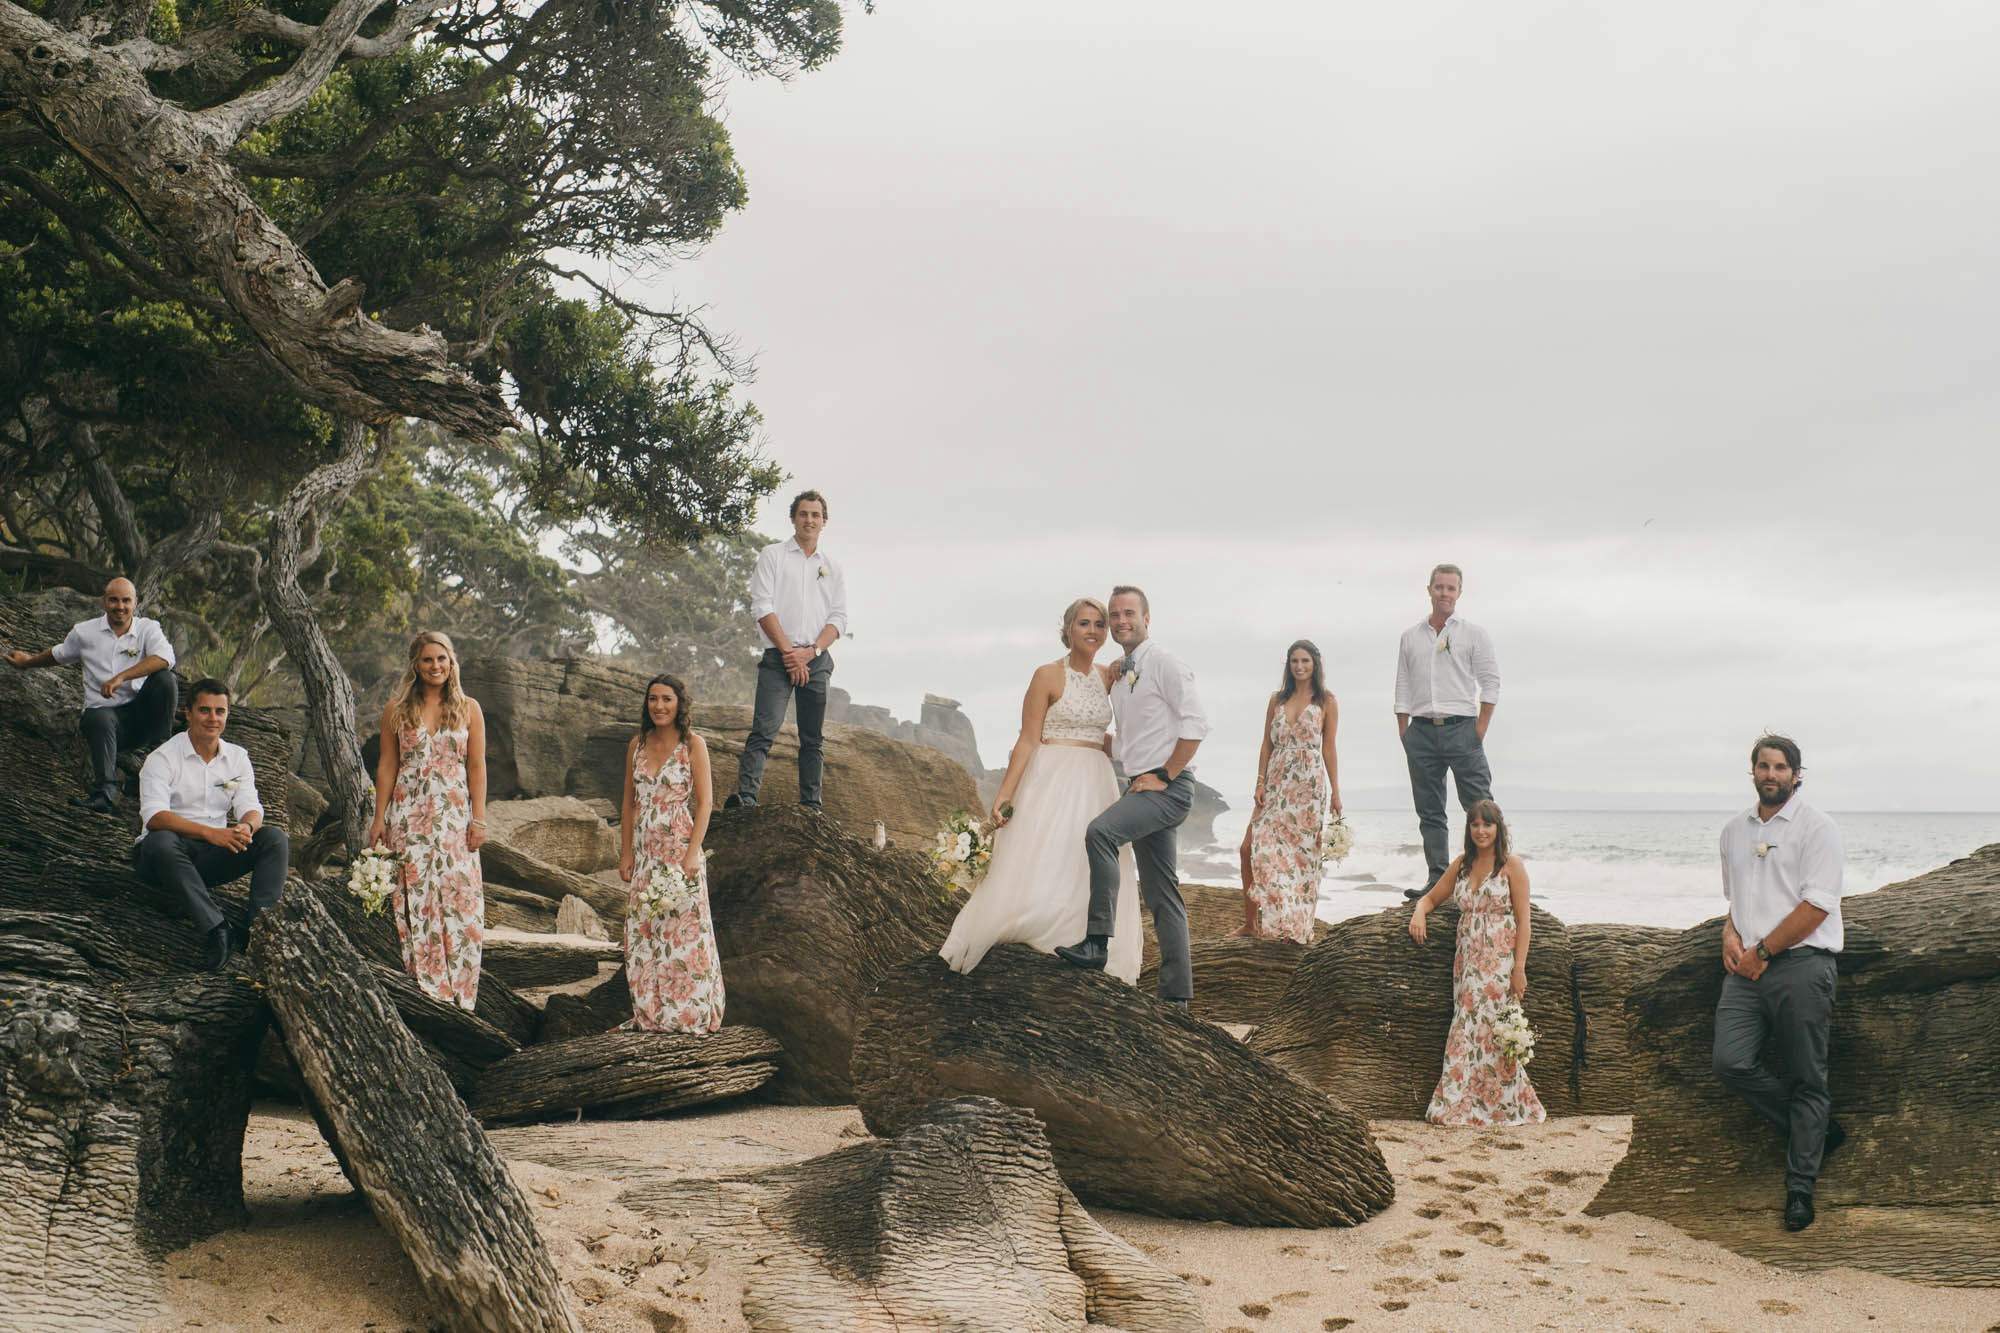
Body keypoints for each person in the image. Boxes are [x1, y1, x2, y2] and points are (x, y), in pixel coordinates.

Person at [940, 597, 1144, 981]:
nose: (1093, 630)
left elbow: (1105, 737)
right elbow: (1027, 739)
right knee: (1047, 850)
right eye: (1084, 623)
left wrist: (1149, 760)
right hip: (1052, 775)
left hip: (1096, 778)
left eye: (1099, 624)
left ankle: (1084, 940)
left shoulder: (1108, 677)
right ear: (1068, 629)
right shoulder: (1047, 675)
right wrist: (1005, 793)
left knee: (1086, 858)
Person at [1713, 734, 1847, 1233]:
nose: (1771, 774)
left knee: (1808, 1076)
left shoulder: (1818, 828)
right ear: (1752, 771)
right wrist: (1730, 934)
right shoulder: (1733, 831)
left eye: (1781, 767)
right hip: (1746, 971)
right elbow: (1737, 901)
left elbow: (1817, 905)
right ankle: (1814, 1130)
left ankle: (1800, 1188)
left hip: (1801, 966)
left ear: (1796, 774)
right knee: (1730, 1062)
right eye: (1764, 766)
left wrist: (1764, 952)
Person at [1056, 586, 1209, 1008]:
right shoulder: (1122, 677)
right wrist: (1071, 736)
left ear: (1146, 618)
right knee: (1162, 893)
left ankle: (1096, 943)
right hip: (1141, 785)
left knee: (1101, 833)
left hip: (1167, 789)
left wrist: (1165, 774)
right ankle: (1176, 998)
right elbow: (1127, 745)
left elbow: (1197, 724)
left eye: (1129, 613)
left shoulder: (1165, 663)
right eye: (1115, 615)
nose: (1121, 621)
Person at [134, 678, 290, 970]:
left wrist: (246, 827)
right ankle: (217, 928)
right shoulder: (163, 758)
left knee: (274, 839)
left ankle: (259, 932)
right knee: (160, 840)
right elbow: (154, 817)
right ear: (188, 713)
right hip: (162, 860)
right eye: (204, 710)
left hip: (207, 859)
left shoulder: (237, 758)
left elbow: (251, 807)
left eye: (220, 711)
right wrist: (210, 833)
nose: (213, 718)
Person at [367, 631, 487, 1010]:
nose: (436, 666)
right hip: (409, 815)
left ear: (452, 663)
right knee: (415, 898)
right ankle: (424, 988)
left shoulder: (469, 708)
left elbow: (477, 767)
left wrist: (479, 820)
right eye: (428, 660)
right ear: (415, 665)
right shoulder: (396, 709)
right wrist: (379, 818)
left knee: (461, 898)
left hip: (454, 817)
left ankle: (460, 993)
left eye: (442, 659)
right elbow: (388, 765)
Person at [1408, 799, 1544, 1126]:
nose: (1481, 831)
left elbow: (1524, 922)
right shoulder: (1461, 865)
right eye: (1475, 824)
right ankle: (1461, 1103)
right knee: (1466, 1028)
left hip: (1499, 962)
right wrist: (1418, 913)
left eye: (1487, 824)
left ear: (1499, 828)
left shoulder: (1512, 866)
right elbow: (1431, 897)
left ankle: (1503, 1106)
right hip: (1467, 963)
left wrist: (1519, 969)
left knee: (1494, 1030)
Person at [6, 576, 178, 812]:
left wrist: (121, 677)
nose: (120, 606)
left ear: (135, 602)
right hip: (105, 723)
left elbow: (165, 658)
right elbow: (59, 654)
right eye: (114, 600)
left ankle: (161, 751)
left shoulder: (148, 628)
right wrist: (27, 662)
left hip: (141, 718)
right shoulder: (84, 632)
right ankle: (105, 794)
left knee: (166, 679)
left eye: (126, 600)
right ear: (104, 601)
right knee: (99, 716)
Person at [728, 490, 848, 811]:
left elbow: (838, 619)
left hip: (816, 660)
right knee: (764, 729)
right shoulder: (773, 556)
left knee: (812, 738)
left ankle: (811, 805)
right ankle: (746, 797)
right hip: (777, 658)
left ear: (824, 522)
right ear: (793, 518)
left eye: (815, 515)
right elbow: (761, 606)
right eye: (803, 514)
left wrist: (810, 652)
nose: (809, 520)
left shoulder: (832, 567)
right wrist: (789, 654)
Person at [618, 675, 725, 1032]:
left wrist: (693, 854)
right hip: (645, 854)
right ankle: (652, 1013)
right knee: (644, 931)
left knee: (684, 933)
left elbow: (706, 803)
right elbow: (629, 804)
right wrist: (625, 853)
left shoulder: (693, 744)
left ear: (679, 704)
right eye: (653, 699)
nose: (659, 706)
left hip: (679, 850)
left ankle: (689, 1013)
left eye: (666, 699)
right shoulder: (637, 744)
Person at [1394, 563, 1499, 898]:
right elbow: (1403, 685)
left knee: (1480, 806)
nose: (1444, 593)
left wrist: (1478, 731)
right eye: (1439, 587)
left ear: (1459, 592)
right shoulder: (1410, 637)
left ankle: (1488, 878)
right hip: (1421, 732)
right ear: (1429, 590)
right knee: (1429, 811)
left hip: (1462, 729)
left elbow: (1491, 683)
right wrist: (1405, 732)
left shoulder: (1473, 634)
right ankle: (1438, 880)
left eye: (1451, 588)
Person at [1234, 640, 1342, 943]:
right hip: (1276, 783)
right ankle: (1251, 924)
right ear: (1288, 664)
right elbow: (1266, 744)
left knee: (1301, 860)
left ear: (1315, 664)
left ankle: (1293, 928)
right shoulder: (1277, 699)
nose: (1299, 666)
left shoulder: (1327, 701)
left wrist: (1336, 792)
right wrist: (1259, 782)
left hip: (1308, 789)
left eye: (1305, 661)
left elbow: (1329, 748)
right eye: (1294, 661)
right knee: (1249, 848)